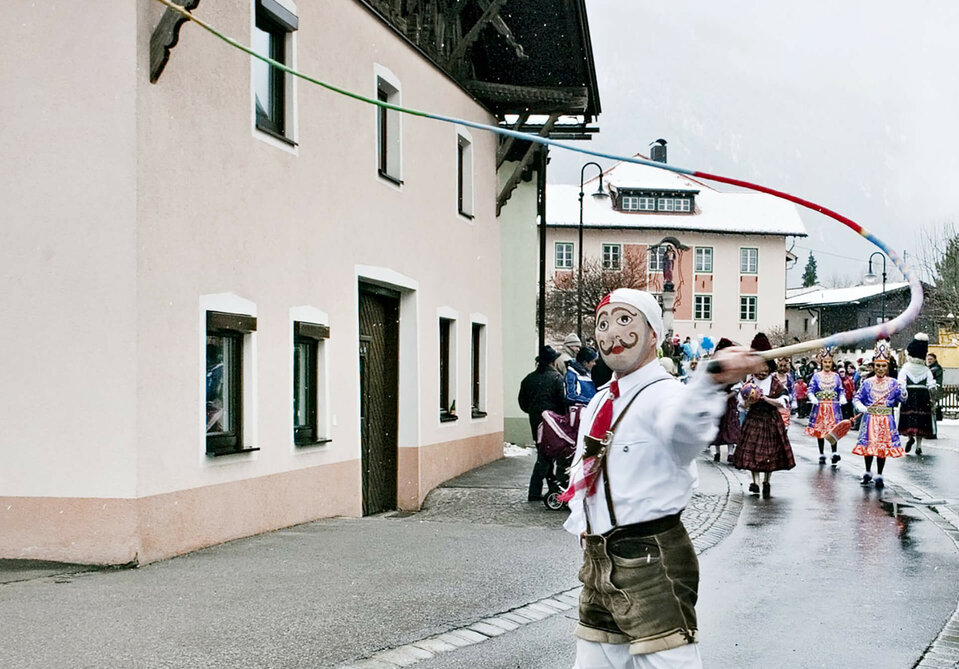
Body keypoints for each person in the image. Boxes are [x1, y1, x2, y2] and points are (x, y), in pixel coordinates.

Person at [562, 289, 763, 669]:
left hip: (652, 561)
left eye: (624, 320)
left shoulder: (667, 395)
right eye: (603, 323)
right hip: (598, 562)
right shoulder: (600, 401)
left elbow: (687, 433)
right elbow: (584, 471)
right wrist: (582, 529)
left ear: (653, 332)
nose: (611, 332)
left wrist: (710, 382)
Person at [731, 333, 796, 497]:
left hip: (771, 420)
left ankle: (766, 481)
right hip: (754, 419)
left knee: (769, 453)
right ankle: (755, 482)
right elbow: (741, 405)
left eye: (764, 367)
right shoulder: (749, 383)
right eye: (758, 367)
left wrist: (766, 399)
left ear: (769, 366)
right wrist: (748, 402)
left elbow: (783, 402)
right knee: (753, 452)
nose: (761, 371)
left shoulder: (775, 383)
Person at [518, 345, 568, 502]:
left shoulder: (529, 379)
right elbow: (563, 401)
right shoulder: (557, 379)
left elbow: (522, 403)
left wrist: (534, 412)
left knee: (544, 453)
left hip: (535, 420)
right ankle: (536, 491)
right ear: (553, 362)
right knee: (546, 456)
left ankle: (550, 487)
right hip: (552, 422)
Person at [852, 345, 906, 488]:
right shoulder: (867, 383)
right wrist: (860, 407)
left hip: (886, 419)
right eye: (878, 366)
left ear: (887, 367)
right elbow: (857, 398)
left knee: (882, 448)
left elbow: (902, 399)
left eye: (883, 366)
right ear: (874, 366)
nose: (880, 369)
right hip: (870, 419)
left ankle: (880, 475)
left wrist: (903, 390)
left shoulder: (893, 383)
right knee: (869, 446)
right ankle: (867, 472)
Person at [805, 349, 845, 466]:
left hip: (833, 407)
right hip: (820, 407)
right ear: (821, 362)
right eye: (825, 362)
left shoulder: (836, 376)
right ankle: (821, 453)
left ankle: (834, 452)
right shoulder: (816, 376)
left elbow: (840, 389)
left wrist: (842, 397)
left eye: (829, 362)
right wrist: (812, 397)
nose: (827, 364)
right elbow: (810, 389)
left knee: (833, 430)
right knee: (820, 431)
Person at [899, 334, 936, 456]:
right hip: (922, 396)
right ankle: (919, 446)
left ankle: (910, 438)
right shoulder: (926, 370)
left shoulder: (906, 368)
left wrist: (902, 395)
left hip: (910, 395)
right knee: (921, 421)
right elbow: (931, 385)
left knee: (910, 419)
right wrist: (933, 397)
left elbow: (901, 383)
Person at [710, 338, 741, 463]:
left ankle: (730, 453)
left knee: (729, 425)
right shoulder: (714, 367)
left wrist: (727, 396)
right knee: (717, 425)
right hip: (716, 399)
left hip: (728, 400)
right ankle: (717, 452)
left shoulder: (733, 368)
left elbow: (738, 386)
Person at [927, 352, 944, 436]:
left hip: (934, 391)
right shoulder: (930, 368)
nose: (929, 361)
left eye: (931, 359)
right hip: (931, 391)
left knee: (932, 411)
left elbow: (931, 376)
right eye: (928, 359)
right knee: (930, 411)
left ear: (935, 360)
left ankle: (933, 432)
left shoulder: (936, 368)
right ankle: (930, 431)